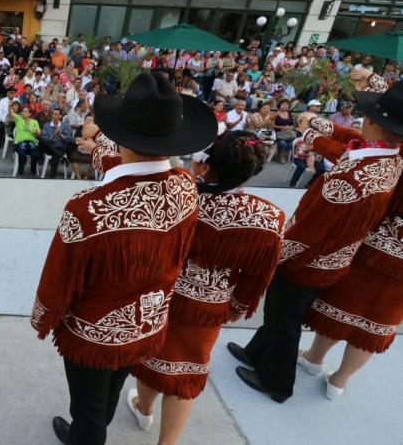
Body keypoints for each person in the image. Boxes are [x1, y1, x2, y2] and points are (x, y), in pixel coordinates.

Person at [32, 72, 217, 445]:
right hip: (148, 323)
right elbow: (130, 168)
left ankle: (87, 434)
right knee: (112, 389)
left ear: (122, 137)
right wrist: (99, 142)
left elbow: (59, 277)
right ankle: (94, 425)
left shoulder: (88, 207)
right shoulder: (186, 186)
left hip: (94, 333)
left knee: (87, 409)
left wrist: (43, 316)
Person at [229, 83, 403, 403]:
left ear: (375, 123)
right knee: (280, 313)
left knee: (284, 319)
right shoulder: (390, 158)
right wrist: (315, 129)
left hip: (307, 261)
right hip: (333, 259)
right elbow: (348, 144)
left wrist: (275, 254)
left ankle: (277, 382)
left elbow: (311, 230)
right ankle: (256, 353)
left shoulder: (353, 175)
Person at [127, 131, 284, 445]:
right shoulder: (269, 218)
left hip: (161, 295)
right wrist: (238, 305)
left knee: (151, 357)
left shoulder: (176, 196)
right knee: (187, 372)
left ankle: (144, 408)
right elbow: (257, 277)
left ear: (206, 166)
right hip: (209, 307)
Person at [294, 109, 403, 400]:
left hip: (376, 246)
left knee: (344, 304)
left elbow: (359, 148)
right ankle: (340, 381)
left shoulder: (395, 154)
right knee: (376, 321)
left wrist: (313, 133)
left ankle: (314, 359)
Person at [39, 108, 73, 178]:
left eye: (56, 114)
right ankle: (63, 158)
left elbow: (70, 140)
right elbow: (46, 140)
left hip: (60, 147)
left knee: (56, 155)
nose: (54, 116)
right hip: (49, 147)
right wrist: (54, 134)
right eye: (53, 114)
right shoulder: (47, 125)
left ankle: (52, 176)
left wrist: (61, 134)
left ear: (60, 116)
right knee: (42, 141)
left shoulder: (65, 126)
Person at [11, 103, 42, 177]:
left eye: (25, 112)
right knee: (22, 154)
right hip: (19, 143)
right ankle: (20, 172)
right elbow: (11, 113)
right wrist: (10, 106)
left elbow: (39, 133)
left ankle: (33, 171)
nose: (23, 113)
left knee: (35, 155)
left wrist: (37, 132)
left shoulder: (35, 122)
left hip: (32, 143)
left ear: (30, 114)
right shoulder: (18, 119)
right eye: (22, 111)